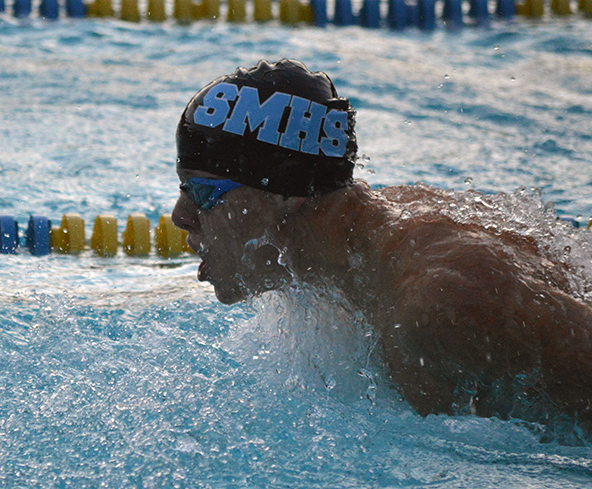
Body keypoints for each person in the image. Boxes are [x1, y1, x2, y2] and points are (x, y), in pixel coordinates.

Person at [171, 58, 592, 428]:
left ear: (287, 191)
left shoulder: (438, 299)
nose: (180, 216)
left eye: (202, 193)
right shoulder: (357, 254)